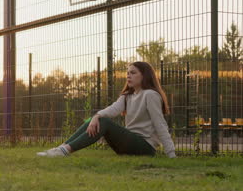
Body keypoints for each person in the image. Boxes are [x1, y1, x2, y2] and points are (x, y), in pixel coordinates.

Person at [37, 61, 176, 158]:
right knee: (97, 119)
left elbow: (160, 124)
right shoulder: (127, 96)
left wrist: (171, 154)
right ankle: (61, 148)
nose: (128, 75)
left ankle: (64, 151)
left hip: (145, 147)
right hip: (127, 145)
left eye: (133, 73)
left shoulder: (150, 95)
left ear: (144, 75)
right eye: (127, 73)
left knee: (104, 122)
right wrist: (96, 116)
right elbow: (113, 109)